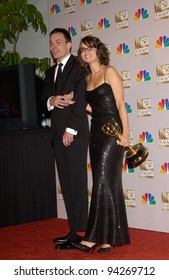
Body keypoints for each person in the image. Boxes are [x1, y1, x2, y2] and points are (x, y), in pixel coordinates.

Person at [72, 35, 131, 253]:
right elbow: (93, 109)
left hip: (112, 131)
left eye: (90, 48)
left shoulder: (110, 71)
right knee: (104, 182)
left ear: (98, 50)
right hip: (96, 132)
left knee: (103, 180)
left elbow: (120, 104)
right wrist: (76, 102)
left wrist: (125, 133)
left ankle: (91, 237)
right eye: (82, 50)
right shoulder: (87, 78)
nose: (86, 52)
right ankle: (108, 237)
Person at [41, 28, 89, 250]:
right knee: (67, 184)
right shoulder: (51, 72)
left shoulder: (79, 67)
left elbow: (80, 100)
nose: (54, 46)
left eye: (58, 42)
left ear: (69, 45)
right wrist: (52, 99)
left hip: (74, 133)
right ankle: (74, 230)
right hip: (57, 135)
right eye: (51, 43)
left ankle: (82, 233)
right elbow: (44, 99)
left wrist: (70, 130)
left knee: (77, 183)